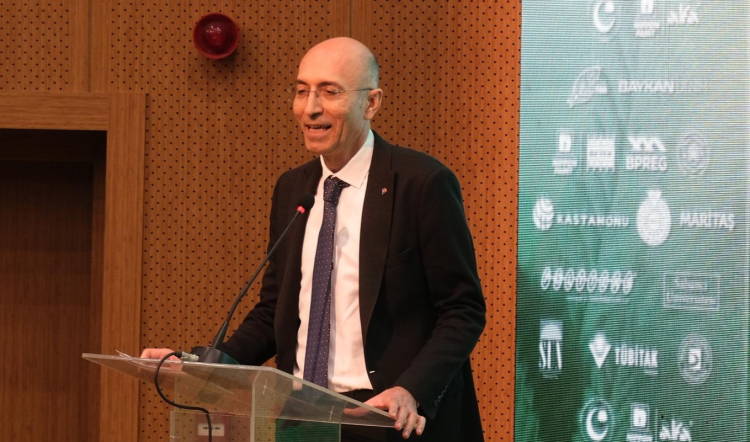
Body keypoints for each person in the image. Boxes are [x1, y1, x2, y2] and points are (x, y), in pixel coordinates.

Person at [143, 37, 486, 441]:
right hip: (302, 416)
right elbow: (275, 311)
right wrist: (206, 366)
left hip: (386, 417)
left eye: (329, 92)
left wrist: (411, 389)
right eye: (302, 91)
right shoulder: (294, 189)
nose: (310, 108)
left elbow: (463, 309)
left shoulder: (420, 183)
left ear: (371, 103)